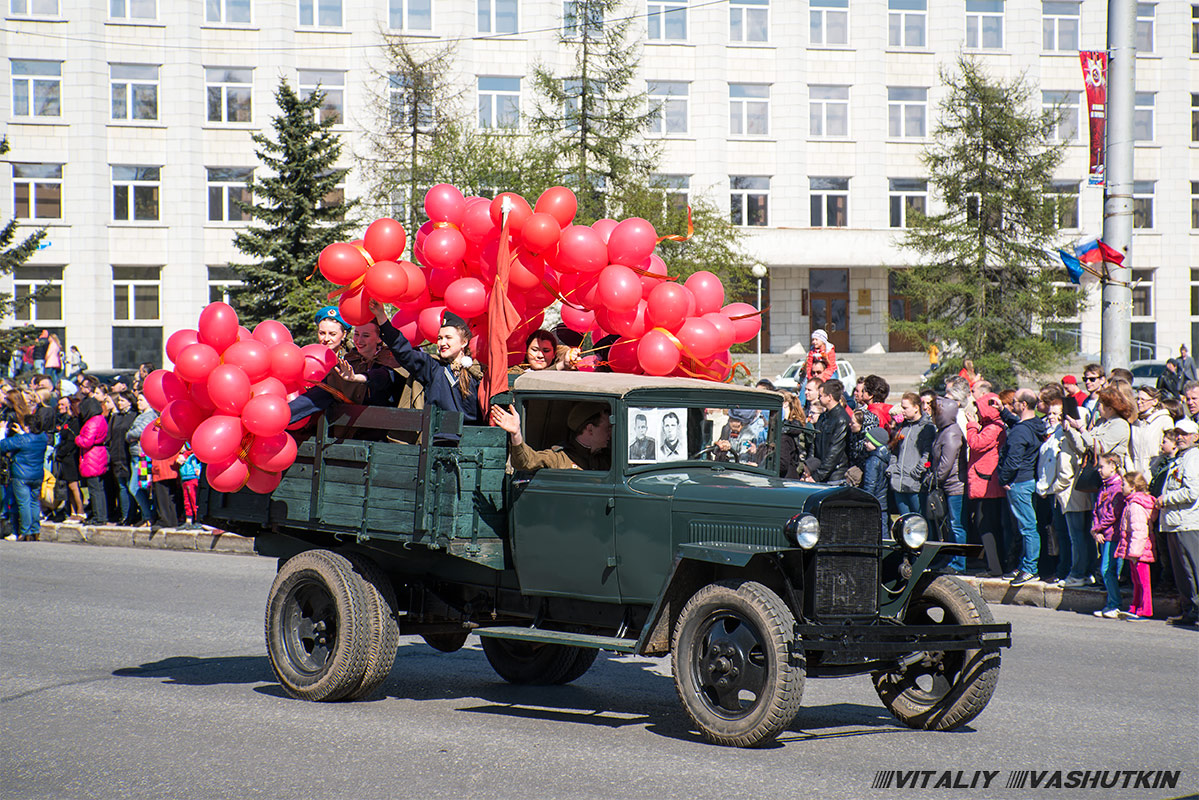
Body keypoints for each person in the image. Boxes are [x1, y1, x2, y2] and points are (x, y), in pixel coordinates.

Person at [371, 301, 483, 431]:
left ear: (464, 342)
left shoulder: (477, 373)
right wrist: (381, 317)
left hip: (472, 443)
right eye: (440, 338)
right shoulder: (432, 368)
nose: (442, 343)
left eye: (448, 338)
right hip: (436, 440)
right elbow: (403, 351)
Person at [999, 389, 1044, 586]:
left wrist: (1003, 479)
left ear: (1023, 405)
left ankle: (1029, 568)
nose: (1013, 405)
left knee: (1027, 527)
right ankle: (1025, 564)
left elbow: (1013, 461)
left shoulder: (1019, 431)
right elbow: (1017, 423)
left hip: (1019, 482)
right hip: (1028, 481)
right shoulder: (1035, 424)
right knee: (1027, 526)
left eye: (1015, 402)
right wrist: (1002, 412)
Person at [1156, 419, 1199, 626]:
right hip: (1174, 522)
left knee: (1192, 570)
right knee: (1181, 571)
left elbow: (1192, 492)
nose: (1180, 437)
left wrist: (1167, 499)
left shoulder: (1193, 458)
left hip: (1187, 523)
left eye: (1185, 433)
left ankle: (1195, 610)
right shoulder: (1179, 459)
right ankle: (1189, 611)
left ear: (1195, 437)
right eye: (1178, 433)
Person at [490, 401, 611, 471]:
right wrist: (516, 434)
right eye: (607, 428)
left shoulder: (606, 459)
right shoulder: (560, 458)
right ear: (590, 429)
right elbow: (526, 462)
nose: (610, 433)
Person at [965, 392, 1008, 576]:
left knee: (987, 526)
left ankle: (995, 567)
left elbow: (976, 443)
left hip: (988, 484)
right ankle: (992, 564)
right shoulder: (991, 426)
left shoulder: (994, 427)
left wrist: (972, 425)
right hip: (985, 482)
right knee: (985, 525)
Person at [931, 396, 968, 572]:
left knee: (957, 526)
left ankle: (959, 564)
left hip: (955, 486)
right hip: (947, 485)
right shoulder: (943, 430)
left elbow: (946, 463)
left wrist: (934, 479)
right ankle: (949, 560)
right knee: (949, 526)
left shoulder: (952, 432)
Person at [1116, 471, 1157, 620]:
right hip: (1136, 551)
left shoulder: (1135, 506)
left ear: (1133, 487)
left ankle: (1145, 610)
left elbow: (1139, 531)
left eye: (1124, 484)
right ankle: (1135, 606)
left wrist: (1134, 553)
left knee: (1142, 581)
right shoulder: (1132, 503)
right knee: (1137, 580)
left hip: (1139, 551)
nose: (1121, 487)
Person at [0, 416, 48, 541]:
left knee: (23, 503)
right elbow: (30, 440)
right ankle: (35, 530)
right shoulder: (43, 438)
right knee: (34, 502)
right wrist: (22, 433)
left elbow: (3, 445)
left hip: (21, 475)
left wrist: (2, 430)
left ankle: (25, 531)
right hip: (37, 475)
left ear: (28, 426)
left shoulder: (21, 440)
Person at [1091, 453, 1127, 618]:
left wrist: (1098, 528)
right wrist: (1096, 529)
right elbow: (1097, 509)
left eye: (1102, 466)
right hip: (1104, 533)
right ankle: (1111, 603)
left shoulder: (1117, 487)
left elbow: (1113, 514)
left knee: (1108, 569)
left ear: (1113, 466)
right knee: (1107, 569)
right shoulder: (1104, 487)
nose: (1099, 470)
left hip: (1113, 535)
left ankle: (1114, 604)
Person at [888, 392, 934, 516]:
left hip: (915, 485)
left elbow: (927, 454)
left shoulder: (926, 428)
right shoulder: (902, 426)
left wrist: (917, 472)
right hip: (899, 482)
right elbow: (894, 450)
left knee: (920, 520)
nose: (902, 411)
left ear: (916, 407)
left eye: (905, 408)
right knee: (905, 521)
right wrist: (893, 469)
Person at [804, 379, 849, 484]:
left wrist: (817, 476)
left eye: (821, 395)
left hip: (835, 474)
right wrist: (809, 467)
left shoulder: (841, 419)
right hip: (819, 470)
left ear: (829, 397)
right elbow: (814, 444)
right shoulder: (823, 416)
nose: (819, 398)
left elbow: (835, 451)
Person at [76, 396, 110, 525]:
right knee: (99, 488)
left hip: (92, 456)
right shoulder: (101, 419)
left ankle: (99, 517)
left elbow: (86, 441)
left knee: (95, 489)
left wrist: (78, 438)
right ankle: (101, 515)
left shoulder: (92, 422)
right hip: (99, 453)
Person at [125, 393, 157, 526]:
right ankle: (146, 516)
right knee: (138, 486)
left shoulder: (150, 415)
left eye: (141, 400)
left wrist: (128, 434)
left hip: (142, 456)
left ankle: (149, 515)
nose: (138, 403)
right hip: (134, 455)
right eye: (137, 400)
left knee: (135, 487)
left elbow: (139, 432)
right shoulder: (141, 415)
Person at [107, 391, 136, 524]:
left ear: (130, 402)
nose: (120, 403)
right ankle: (125, 515)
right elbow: (110, 436)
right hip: (116, 456)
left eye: (123, 400)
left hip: (128, 455)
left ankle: (133, 514)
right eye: (118, 400)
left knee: (132, 486)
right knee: (122, 486)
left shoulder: (134, 416)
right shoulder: (115, 417)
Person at [1131, 386, 1173, 474]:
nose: (1139, 402)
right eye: (1137, 399)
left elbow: (1168, 448)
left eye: (1143, 400)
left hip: (1154, 472)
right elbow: (1130, 452)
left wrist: (1155, 470)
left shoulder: (1164, 420)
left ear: (1154, 401)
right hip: (1136, 474)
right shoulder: (1136, 423)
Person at [860, 426, 890, 538]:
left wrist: (867, 500)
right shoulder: (885, 457)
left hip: (875, 500)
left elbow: (870, 483)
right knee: (883, 527)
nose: (865, 443)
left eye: (868, 441)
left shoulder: (873, 461)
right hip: (883, 501)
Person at [178, 446, 203, 530]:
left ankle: (198, 520)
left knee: (194, 500)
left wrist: (185, 454)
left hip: (192, 477)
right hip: (185, 477)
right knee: (187, 500)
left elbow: (195, 449)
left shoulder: (191, 453)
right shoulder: (181, 454)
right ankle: (188, 520)